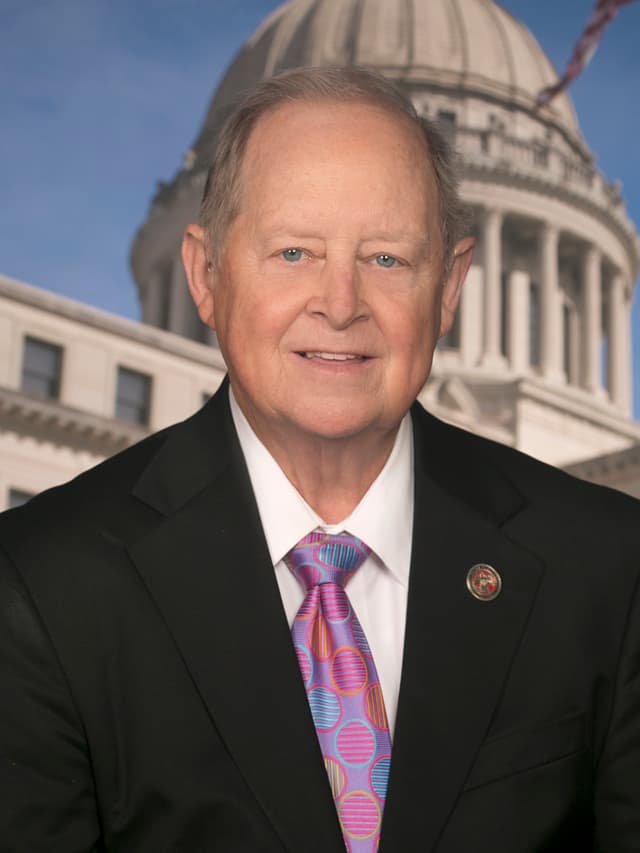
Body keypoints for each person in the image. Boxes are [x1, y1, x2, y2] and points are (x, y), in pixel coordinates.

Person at [1, 66, 639, 853]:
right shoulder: (39, 583)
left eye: (387, 259)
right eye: (295, 250)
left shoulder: (609, 565)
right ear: (205, 275)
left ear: (449, 287)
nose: (339, 304)